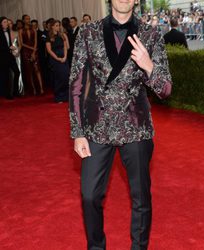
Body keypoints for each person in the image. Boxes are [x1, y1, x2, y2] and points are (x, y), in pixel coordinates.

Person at [69, 0, 172, 249]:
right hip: (97, 127)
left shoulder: (151, 33)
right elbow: (76, 85)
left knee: (141, 197)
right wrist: (77, 132)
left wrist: (148, 65)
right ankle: (96, 246)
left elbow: (166, 90)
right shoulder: (87, 32)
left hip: (135, 126)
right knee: (89, 195)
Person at [19, 14, 44, 95]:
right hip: (26, 52)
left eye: (29, 19)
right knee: (29, 71)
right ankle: (33, 89)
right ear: (23, 20)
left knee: (37, 70)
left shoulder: (33, 29)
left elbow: (36, 41)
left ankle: (41, 88)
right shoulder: (21, 30)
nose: (28, 20)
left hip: (34, 51)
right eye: (26, 19)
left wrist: (34, 51)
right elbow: (22, 43)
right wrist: (32, 49)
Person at [46, 20, 69, 103]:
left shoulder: (62, 35)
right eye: (56, 25)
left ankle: (66, 96)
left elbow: (65, 47)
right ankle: (59, 97)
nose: (58, 27)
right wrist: (57, 58)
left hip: (64, 58)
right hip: (55, 59)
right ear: (52, 26)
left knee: (66, 77)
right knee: (59, 78)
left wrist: (65, 57)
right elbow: (49, 50)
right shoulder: (49, 37)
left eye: (59, 25)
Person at [0, 16, 20, 99]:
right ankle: (7, 94)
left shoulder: (8, 31)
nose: (7, 24)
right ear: (0, 24)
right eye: (4, 22)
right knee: (6, 76)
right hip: (2, 57)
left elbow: (7, 43)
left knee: (17, 72)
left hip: (10, 55)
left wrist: (11, 46)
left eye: (7, 22)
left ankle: (15, 92)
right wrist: (9, 47)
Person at [8, 19, 24, 95]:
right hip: (8, 55)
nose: (9, 25)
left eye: (10, 23)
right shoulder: (4, 34)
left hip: (17, 54)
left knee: (18, 71)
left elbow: (20, 44)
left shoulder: (16, 33)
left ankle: (19, 90)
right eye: (7, 23)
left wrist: (18, 52)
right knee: (10, 73)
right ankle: (11, 91)